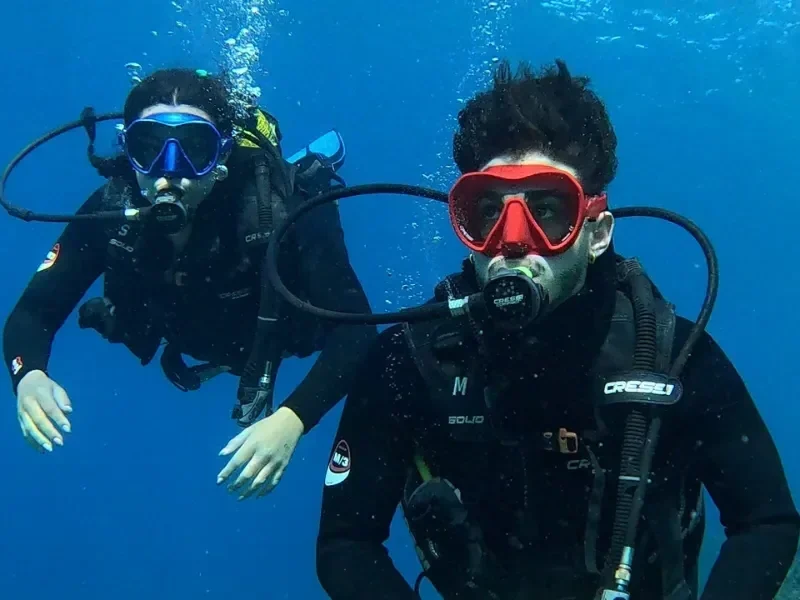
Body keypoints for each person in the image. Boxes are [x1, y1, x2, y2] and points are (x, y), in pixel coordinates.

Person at [314, 59, 799, 599]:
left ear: (596, 233)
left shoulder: (670, 355)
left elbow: (766, 522)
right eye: (487, 212)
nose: (512, 239)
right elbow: (347, 543)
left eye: (547, 211)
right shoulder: (410, 360)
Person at [3, 68, 376, 499]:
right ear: (128, 150)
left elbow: (358, 329)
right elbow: (33, 313)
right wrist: (28, 374)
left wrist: (293, 419)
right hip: (190, 333)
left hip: (280, 335)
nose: (170, 171)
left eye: (194, 149)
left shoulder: (285, 209)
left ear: (222, 154)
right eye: (149, 148)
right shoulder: (111, 209)